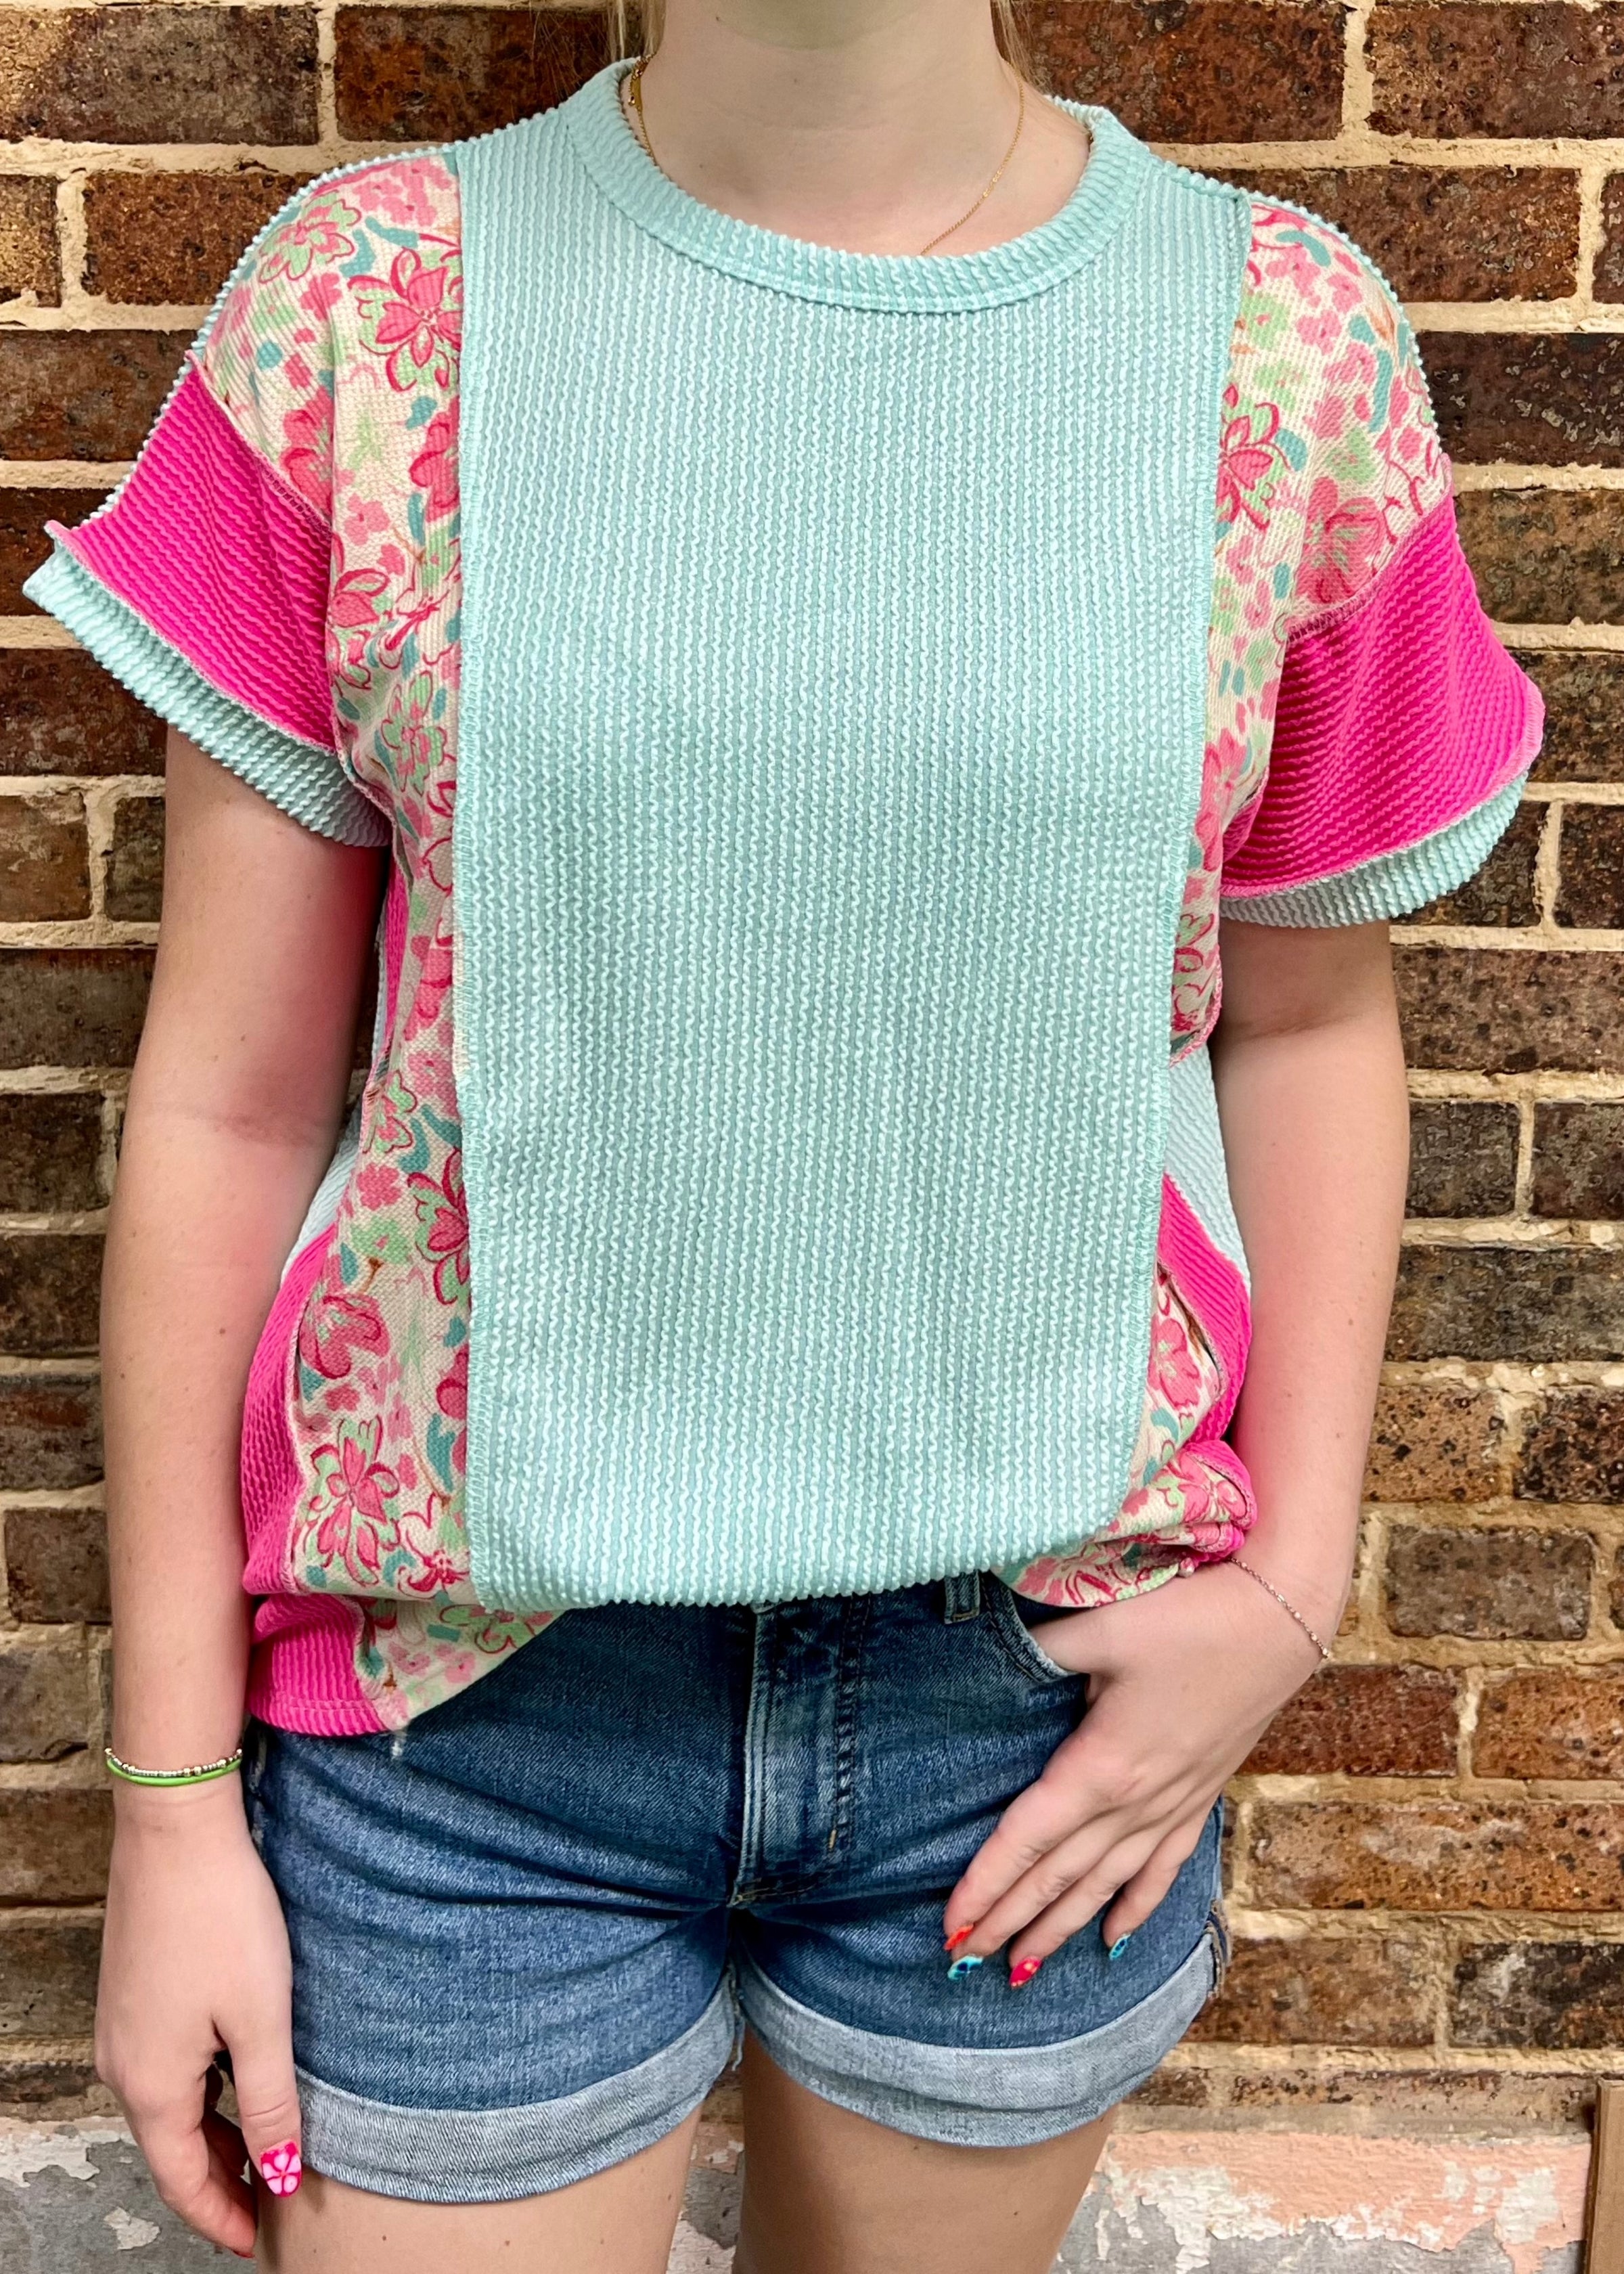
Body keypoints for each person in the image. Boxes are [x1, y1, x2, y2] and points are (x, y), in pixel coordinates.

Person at [25, 0, 1544, 2266]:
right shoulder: (368, 300)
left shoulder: (1283, 340)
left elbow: (1309, 1021)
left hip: (1027, 1704)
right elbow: (229, 1104)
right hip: (463, 1709)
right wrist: (168, 1802)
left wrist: (1296, 1584)